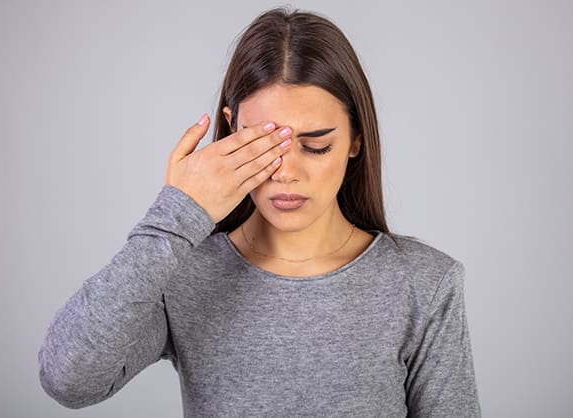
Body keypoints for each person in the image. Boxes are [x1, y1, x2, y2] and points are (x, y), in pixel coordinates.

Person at [38, 7, 481, 417]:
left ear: (356, 141)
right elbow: (68, 379)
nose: (285, 173)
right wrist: (176, 214)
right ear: (230, 131)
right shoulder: (186, 275)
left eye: (316, 146)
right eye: (262, 146)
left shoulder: (424, 285)